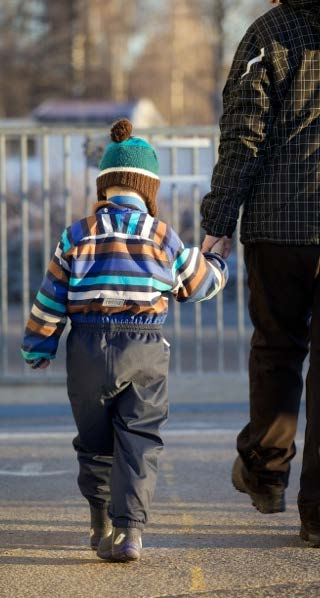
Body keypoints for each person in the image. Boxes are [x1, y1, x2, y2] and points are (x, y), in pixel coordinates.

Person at [21, 119, 228, 562]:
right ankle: (131, 532)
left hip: (87, 348)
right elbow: (196, 283)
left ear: (104, 189)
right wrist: (216, 263)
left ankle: (100, 521)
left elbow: (51, 295)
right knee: (138, 437)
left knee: (94, 439)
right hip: (145, 347)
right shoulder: (161, 235)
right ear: (148, 191)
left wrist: (38, 345)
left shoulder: (76, 235)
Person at [200, 0, 320, 546]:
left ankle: (266, 473)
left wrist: (218, 221)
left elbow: (242, 135)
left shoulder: (270, 33)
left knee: (277, 345)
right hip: (286, 219)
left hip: (280, 222)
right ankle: (317, 516)